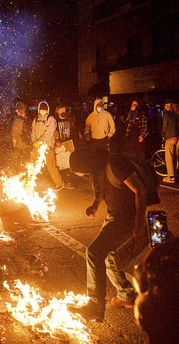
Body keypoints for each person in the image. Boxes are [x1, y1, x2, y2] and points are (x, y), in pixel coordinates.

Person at [68, 148, 155, 322]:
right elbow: (101, 188)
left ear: (88, 163)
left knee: (94, 253)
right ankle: (125, 295)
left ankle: (95, 306)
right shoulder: (98, 168)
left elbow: (140, 191)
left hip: (126, 218)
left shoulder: (115, 163)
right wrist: (94, 205)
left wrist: (138, 224)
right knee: (108, 256)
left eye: (83, 172)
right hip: (114, 215)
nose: (84, 175)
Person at [31, 101, 64, 191]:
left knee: (51, 166)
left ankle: (59, 183)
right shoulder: (35, 120)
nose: (43, 111)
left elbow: (49, 134)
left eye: (44, 109)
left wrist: (40, 142)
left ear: (48, 110)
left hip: (47, 146)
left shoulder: (51, 119)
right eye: (41, 109)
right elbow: (33, 132)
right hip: (37, 146)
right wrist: (35, 142)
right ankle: (29, 183)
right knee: (32, 164)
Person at [160, 100, 179, 183]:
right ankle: (174, 174)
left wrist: (163, 135)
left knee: (169, 157)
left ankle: (170, 177)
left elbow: (164, 126)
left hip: (170, 137)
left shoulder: (166, 114)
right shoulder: (178, 113)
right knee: (175, 157)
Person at [54, 104, 77, 189]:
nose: (63, 112)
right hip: (59, 145)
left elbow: (73, 130)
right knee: (60, 164)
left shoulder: (69, 119)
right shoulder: (55, 121)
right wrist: (56, 140)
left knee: (68, 164)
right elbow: (53, 131)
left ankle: (68, 182)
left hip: (68, 143)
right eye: (61, 110)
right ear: (57, 111)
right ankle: (61, 182)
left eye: (64, 110)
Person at [11, 102, 31, 166]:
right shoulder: (28, 119)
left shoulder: (17, 120)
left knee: (21, 162)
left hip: (21, 145)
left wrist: (14, 144)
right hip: (28, 144)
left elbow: (14, 133)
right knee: (28, 162)